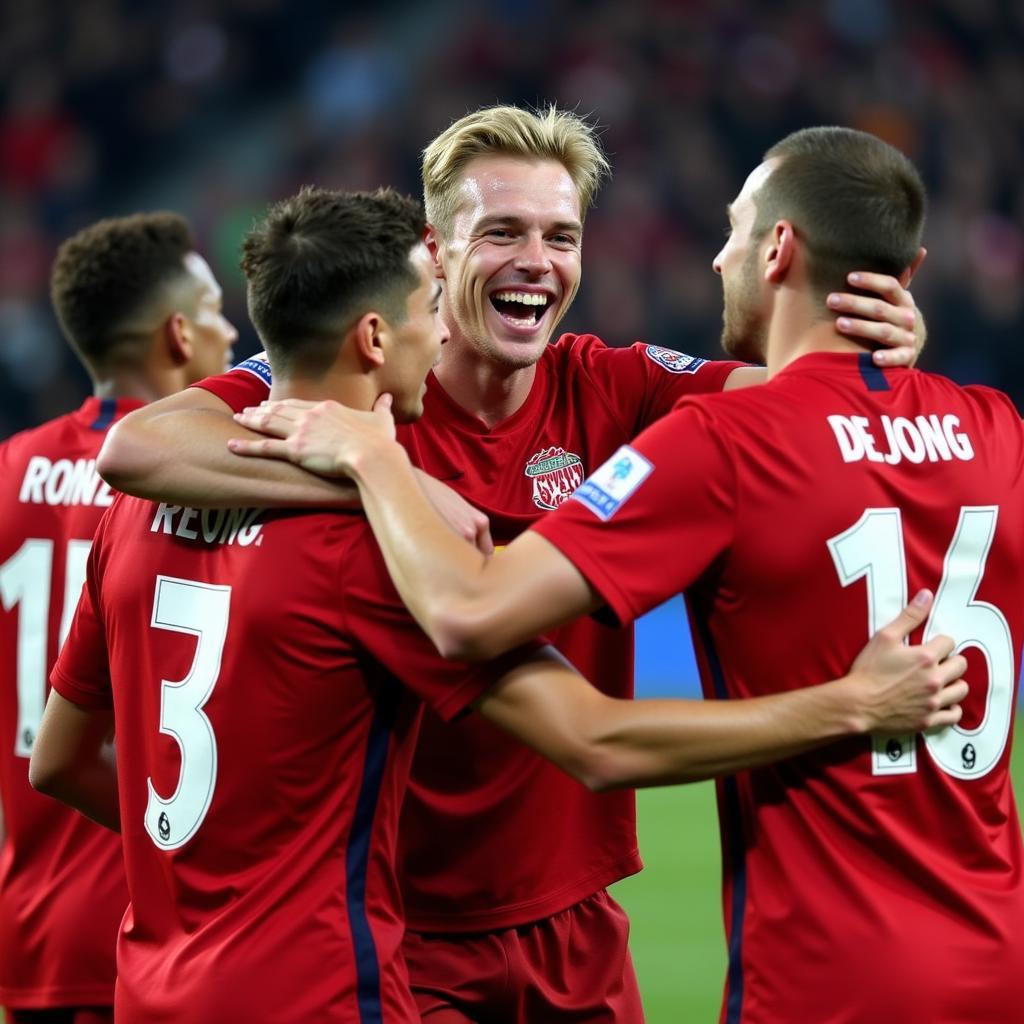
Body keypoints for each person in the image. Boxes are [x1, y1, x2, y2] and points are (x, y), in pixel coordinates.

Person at [31, 184, 965, 1024]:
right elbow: (596, 740)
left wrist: (872, 359)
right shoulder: (375, 552)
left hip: (161, 983)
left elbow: (61, 759)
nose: (440, 334)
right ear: (380, 329)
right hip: (341, 974)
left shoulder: (138, 518)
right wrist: (849, 705)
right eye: (431, 305)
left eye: (562, 233)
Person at [236, 128, 1024, 1023]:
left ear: (777, 249)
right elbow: (142, 442)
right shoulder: (347, 379)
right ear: (435, 245)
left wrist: (380, 469)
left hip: (597, 929)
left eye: (561, 237)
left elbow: (793, 407)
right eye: (503, 232)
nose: (537, 259)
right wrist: (880, 371)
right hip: (402, 925)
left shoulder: (636, 396)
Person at [0, 212, 236, 1024]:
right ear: (177, 334)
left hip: (28, 927)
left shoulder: (9, 469)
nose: (232, 329)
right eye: (213, 310)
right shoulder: (201, 490)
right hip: (157, 927)